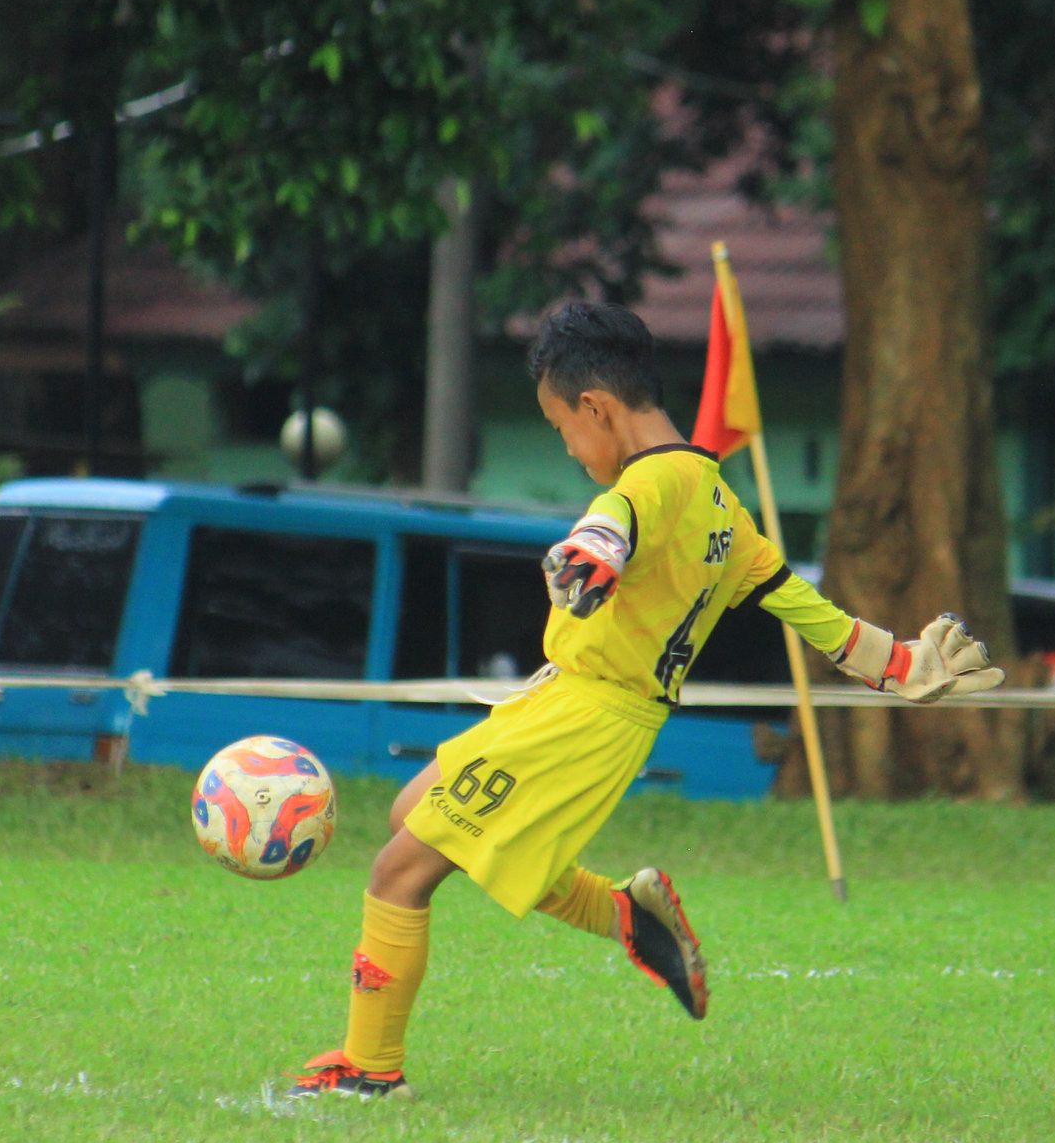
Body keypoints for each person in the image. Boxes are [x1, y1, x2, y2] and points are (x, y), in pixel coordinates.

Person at [289, 301, 1002, 1097]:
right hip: (580, 706)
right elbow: (811, 613)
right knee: (412, 812)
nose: (566, 444)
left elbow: (615, 523)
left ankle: (371, 1071)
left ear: (595, 406)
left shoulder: (650, 481)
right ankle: (625, 915)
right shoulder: (724, 506)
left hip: (581, 714)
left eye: (561, 425)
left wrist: (591, 552)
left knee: (398, 873)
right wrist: (902, 663)